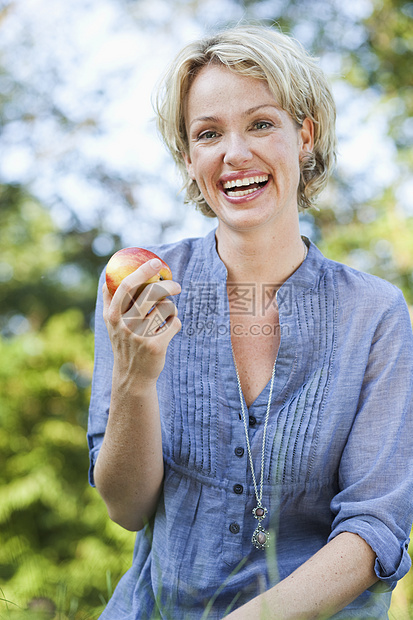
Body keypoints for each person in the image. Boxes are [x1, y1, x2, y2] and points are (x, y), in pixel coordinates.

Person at [87, 24, 413, 619]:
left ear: (305, 136)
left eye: (261, 124)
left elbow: (377, 526)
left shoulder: (376, 314)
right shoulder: (139, 293)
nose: (235, 153)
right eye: (208, 134)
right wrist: (134, 381)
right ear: (190, 159)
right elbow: (126, 509)